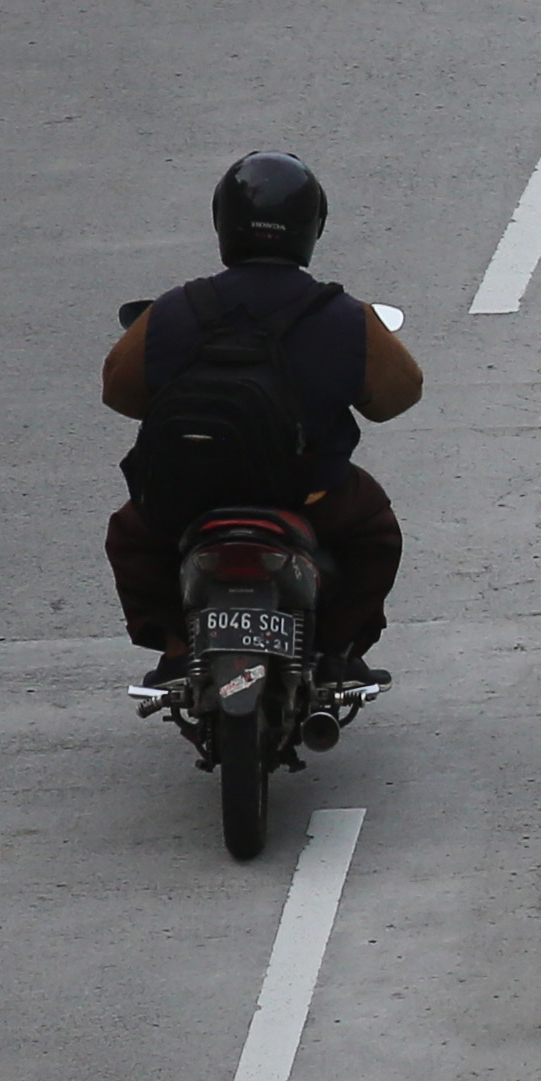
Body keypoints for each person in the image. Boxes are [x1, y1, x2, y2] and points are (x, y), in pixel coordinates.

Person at [103, 153, 419, 688]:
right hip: (307, 499)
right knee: (375, 533)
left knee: (130, 536)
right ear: (311, 227)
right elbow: (396, 397)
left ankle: (179, 649)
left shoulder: (176, 309)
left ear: (222, 222)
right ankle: (338, 650)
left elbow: (121, 392)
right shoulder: (342, 317)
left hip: (184, 500)